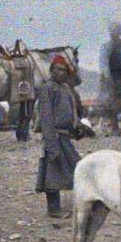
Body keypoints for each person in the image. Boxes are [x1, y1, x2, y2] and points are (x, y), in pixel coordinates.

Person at [34, 54, 83, 218]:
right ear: (51, 70)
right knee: (51, 173)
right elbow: (46, 117)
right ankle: (54, 209)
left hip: (65, 137)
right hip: (54, 136)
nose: (61, 73)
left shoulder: (66, 88)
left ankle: (76, 205)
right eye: (58, 70)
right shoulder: (48, 88)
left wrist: (78, 127)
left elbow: (72, 111)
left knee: (77, 168)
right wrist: (51, 144)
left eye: (63, 70)